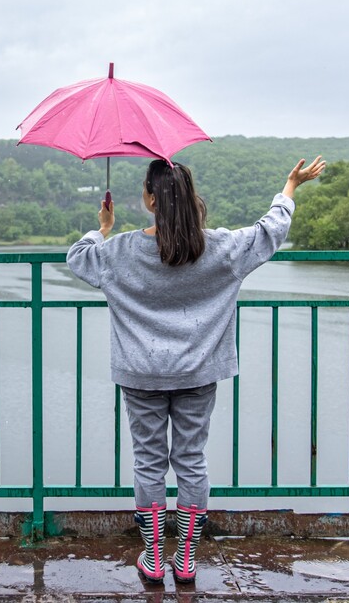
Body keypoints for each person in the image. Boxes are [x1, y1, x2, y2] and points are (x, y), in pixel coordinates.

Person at [66, 155, 325, 583]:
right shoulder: (220, 248)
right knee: (191, 461)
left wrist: (103, 228)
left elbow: (78, 257)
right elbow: (270, 231)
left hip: (142, 375)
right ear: (188, 199)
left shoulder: (121, 251)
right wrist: (290, 187)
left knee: (149, 463)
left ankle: (153, 556)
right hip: (199, 374)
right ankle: (185, 559)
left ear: (150, 199)